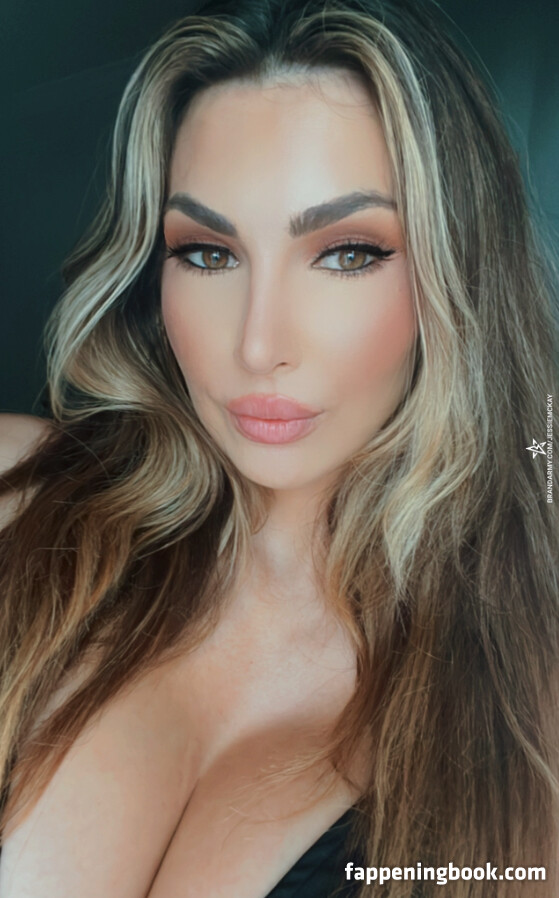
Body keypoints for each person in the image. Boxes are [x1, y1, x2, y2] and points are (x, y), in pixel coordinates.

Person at [0, 0, 558, 895]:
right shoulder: (16, 495)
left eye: (347, 253)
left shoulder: (528, 711)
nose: (257, 346)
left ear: (456, 273)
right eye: (208, 253)